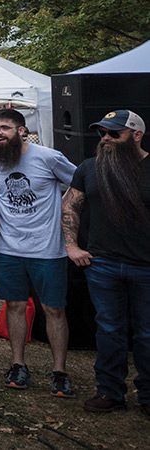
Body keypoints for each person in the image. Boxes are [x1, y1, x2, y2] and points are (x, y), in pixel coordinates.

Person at [0, 108, 78, 397]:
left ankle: (60, 371)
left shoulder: (48, 157)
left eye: (5, 128)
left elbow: (78, 184)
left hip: (48, 249)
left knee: (54, 310)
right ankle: (18, 365)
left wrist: (65, 216)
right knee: (15, 306)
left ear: (21, 131)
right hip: (8, 249)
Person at [63, 110, 150, 416]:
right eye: (102, 133)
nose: (105, 139)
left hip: (146, 268)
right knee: (109, 330)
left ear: (136, 135)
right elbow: (70, 204)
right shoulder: (89, 168)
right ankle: (110, 392)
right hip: (103, 266)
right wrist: (71, 245)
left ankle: (148, 395)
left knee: (147, 333)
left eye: (114, 134)